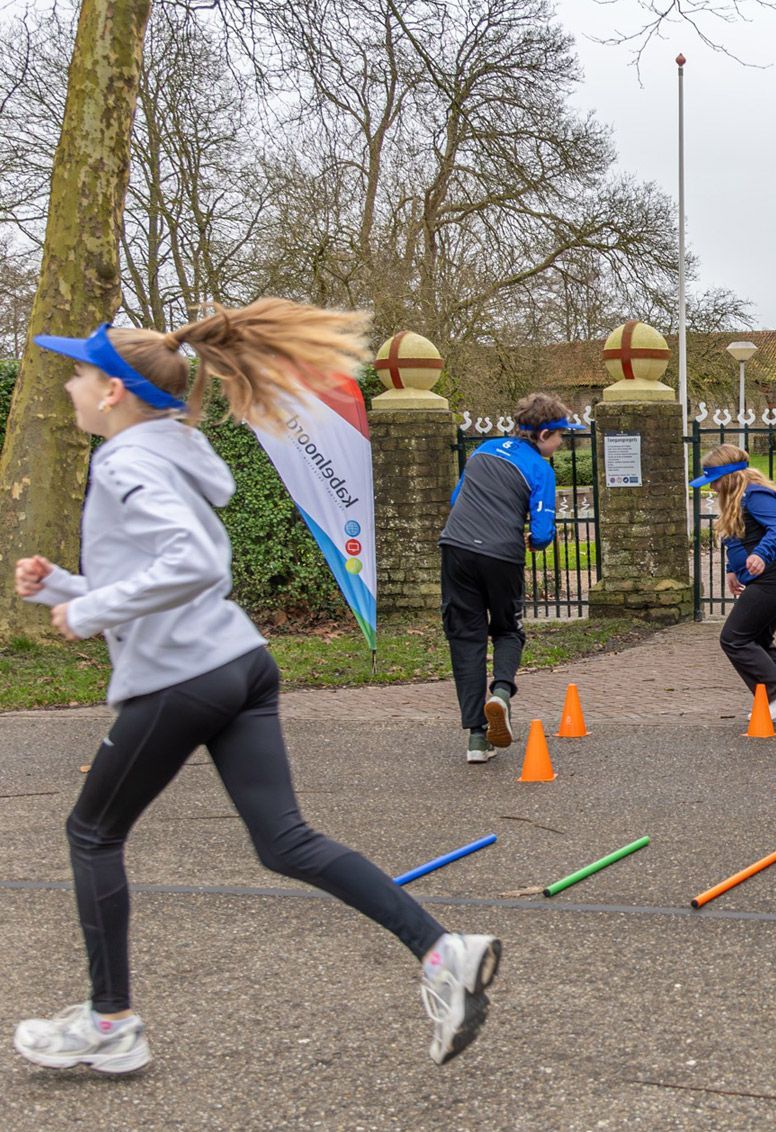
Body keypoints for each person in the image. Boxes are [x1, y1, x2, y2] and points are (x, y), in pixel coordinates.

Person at [11, 302, 501, 1074]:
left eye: (79, 372)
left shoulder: (127, 462)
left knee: (92, 834)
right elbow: (168, 569)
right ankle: (442, 951)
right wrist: (64, 589)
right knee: (284, 842)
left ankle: (110, 1026)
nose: (70, 383)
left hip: (180, 677)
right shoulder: (169, 451)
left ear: (111, 391)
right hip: (238, 664)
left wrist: (89, 610)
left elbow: (194, 565)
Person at [440, 392, 581, 762]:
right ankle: (500, 693)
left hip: (455, 546)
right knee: (507, 629)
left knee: (465, 638)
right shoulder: (540, 469)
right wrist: (533, 541)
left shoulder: (484, 449)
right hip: (500, 554)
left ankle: (476, 738)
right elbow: (542, 533)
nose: (561, 443)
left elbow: (458, 499)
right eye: (560, 436)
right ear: (542, 435)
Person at [690, 444, 776, 722]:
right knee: (759, 639)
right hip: (768, 577)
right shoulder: (737, 498)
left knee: (734, 638)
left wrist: (761, 555)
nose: (713, 488)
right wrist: (732, 569)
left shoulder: (755, 494)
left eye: (715, 481)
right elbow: (736, 535)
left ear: (728, 477)